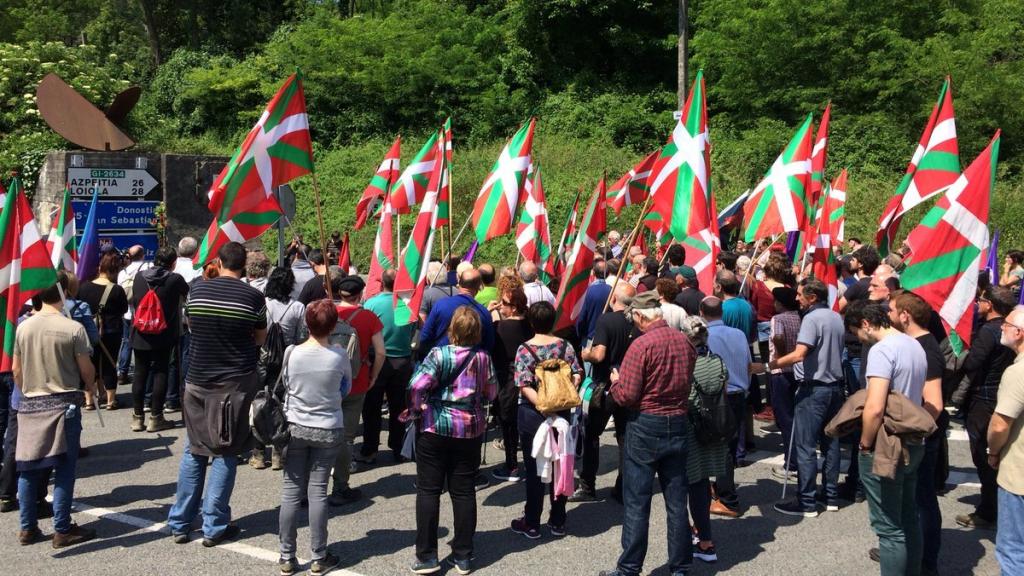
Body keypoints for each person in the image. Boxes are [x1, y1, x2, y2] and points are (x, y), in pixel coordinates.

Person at [167, 241, 267, 547]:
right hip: (233, 385)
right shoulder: (253, 297)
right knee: (226, 451)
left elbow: (191, 326)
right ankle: (214, 524)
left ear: (220, 263)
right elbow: (260, 338)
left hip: (196, 380)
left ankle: (181, 522)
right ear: (243, 266)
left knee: (193, 449)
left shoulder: (197, 291)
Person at [598, 292, 695, 576]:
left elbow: (627, 395)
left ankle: (629, 567)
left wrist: (616, 383)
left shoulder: (640, 346)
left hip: (646, 423)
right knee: (677, 500)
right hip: (677, 420)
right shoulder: (685, 342)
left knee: (637, 500)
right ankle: (681, 566)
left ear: (641, 317)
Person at [408, 306, 497, 575]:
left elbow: (416, 385)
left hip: (435, 425)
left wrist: (417, 407)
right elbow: (491, 392)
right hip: (468, 428)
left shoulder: (438, 354)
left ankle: (426, 555)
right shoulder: (483, 358)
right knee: (463, 490)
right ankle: (463, 555)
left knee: (428, 489)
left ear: (451, 330)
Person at [13, 271, 97, 547]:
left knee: (29, 467)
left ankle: (27, 527)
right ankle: (62, 528)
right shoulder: (72, 328)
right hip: (64, 402)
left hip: (30, 402)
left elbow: (16, 370)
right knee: (63, 467)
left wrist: (29, 389)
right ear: (62, 293)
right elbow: (86, 370)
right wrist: (90, 387)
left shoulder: (23, 327)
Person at [844, 301, 928, 576]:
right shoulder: (913, 343)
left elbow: (875, 406)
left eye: (857, 331)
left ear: (866, 324)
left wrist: (865, 443)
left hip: (887, 442)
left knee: (889, 528)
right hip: (913, 438)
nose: (858, 337)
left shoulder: (882, 350)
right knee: (907, 517)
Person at [277, 300, 351, 576]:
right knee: (318, 490)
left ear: (307, 323)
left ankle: (287, 555)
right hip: (328, 425)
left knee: (291, 491)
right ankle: (319, 555)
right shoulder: (338, 355)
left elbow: (286, 384)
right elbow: (346, 386)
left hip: (295, 425)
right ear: (333, 325)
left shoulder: (291, 352)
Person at [770, 278, 846, 517]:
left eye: (801, 294)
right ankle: (831, 495)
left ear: (813, 297)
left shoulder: (812, 319)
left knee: (805, 445)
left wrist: (768, 365)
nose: (797, 298)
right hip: (835, 387)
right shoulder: (836, 316)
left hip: (814, 388)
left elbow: (800, 353)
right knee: (831, 444)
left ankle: (807, 501)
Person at [510, 301, 581, 539]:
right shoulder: (565, 346)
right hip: (562, 413)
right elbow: (576, 374)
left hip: (533, 415)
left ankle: (531, 522)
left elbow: (522, 384)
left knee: (534, 469)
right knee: (561, 465)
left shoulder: (524, 349)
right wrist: (562, 395)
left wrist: (542, 404)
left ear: (530, 321)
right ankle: (558, 520)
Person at [888, 291, 947, 575]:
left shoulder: (925, 348)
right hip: (913, 434)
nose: (886, 316)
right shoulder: (913, 343)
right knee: (908, 499)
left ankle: (925, 562)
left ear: (904, 315)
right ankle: (904, 551)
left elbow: (934, 402)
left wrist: (914, 433)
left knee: (922, 501)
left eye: (890, 310)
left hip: (919, 436)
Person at [956, 285, 1017, 530]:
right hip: (1003, 394)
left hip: (984, 398)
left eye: (980, 300)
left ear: (989, 304)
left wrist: (962, 353)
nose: (977, 304)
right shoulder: (1007, 330)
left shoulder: (989, 331)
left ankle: (988, 510)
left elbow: (973, 363)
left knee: (984, 457)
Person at [574, 282, 638, 502]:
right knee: (624, 438)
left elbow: (599, 355)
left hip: (605, 388)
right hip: (629, 386)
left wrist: (586, 355)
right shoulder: (637, 322)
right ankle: (623, 487)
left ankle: (587, 486)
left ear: (613, 300)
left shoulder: (606, 320)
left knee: (591, 435)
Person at [330, 275, 385, 506]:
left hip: (327, 380)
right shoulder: (368, 317)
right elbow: (380, 352)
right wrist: (373, 377)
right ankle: (340, 486)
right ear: (360, 294)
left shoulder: (327, 313)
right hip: (356, 379)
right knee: (346, 437)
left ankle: (310, 487)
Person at [679, 316, 730, 564]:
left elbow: (682, 398)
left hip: (690, 429)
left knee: (683, 485)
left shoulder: (686, 363)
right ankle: (706, 540)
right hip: (713, 429)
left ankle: (688, 535)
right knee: (701, 485)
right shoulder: (717, 362)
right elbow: (725, 391)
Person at [702, 296, 755, 517]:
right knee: (729, 446)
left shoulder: (706, 336)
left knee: (719, 447)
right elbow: (749, 364)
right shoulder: (739, 334)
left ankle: (728, 499)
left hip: (719, 397)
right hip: (738, 395)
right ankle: (722, 487)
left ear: (702, 313)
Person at [250, 267, 307, 471]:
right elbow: (302, 337)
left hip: (261, 360)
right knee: (281, 407)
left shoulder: (261, 304)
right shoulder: (298, 307)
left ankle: (257, 453)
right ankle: (278, 453)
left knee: (257, 404)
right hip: (287, 362)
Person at [129, 246, 189, 433]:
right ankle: (157, 417)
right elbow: (186, 293)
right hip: (164, 332)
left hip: (140, 331)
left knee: (140, 373)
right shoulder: (175, 279)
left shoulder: (140, 276)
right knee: (161, 372)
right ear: (173, 263)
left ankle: (137, 418)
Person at [361, 269, 416, 464]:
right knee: (399, 406)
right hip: (402, 360)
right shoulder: (407, 305)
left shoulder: (371, 304)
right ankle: (398, 447)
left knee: (372, 407)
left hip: (377, 359)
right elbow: (412, 331)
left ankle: (370, 449)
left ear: (381, 282)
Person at [986, 306, 1024, 575]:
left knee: (1013, 550)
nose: (1001, 326)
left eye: (1006, 324)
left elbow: (1000, 424)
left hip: (1019, 474)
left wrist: (993, 451)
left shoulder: (1017, 373)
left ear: (1019, 333)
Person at [489, 283, 533, 482]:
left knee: (508, 424)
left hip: (507, 379)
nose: (501, 305)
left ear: (514, 307)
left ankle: (512, 466)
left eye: (504, 303)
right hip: (528, 379)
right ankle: (530, 464)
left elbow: (492, 347)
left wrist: (491, 317)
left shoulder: (501, 327)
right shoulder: (531, 324)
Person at [78, 251, 129, 411]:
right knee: (110, 364)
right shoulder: (117, 290)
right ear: (115, 270)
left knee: (90, 363)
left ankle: (88, 401)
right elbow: (124, 309)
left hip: (88, 331)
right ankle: (110, 400)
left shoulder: (84, 287)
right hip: (111, 331)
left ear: (100, 267)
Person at [418, 269, 495, 354]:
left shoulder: (441, 305)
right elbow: (488, 345)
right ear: (479, 287)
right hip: (471, 363)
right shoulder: (484, 313)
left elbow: (425, 336)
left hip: (441, 360)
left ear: (459, 282)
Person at [768, 286, 802, 477]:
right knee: (794, 415)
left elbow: (778, 335)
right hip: (796, 370)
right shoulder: (799, 317)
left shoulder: (777, 319)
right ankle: (796, 457)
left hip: (780, 370)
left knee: (784, 417)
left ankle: (792, 462)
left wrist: (781, 354)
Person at [117, 244, 152, 386]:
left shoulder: (123, 272)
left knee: (126, 341)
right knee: (144, 343)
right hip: (143, 313)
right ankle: (143, 371)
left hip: (127, 313)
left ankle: (122, 372)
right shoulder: (148, 268)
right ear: (143, 255)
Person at [576, 260, 612, 345]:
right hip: (606, 338)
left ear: (593, 272)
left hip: (590, 338)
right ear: (608, 273)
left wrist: (578, 334)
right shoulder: (612, 290)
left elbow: (582, 317)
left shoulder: (590, 291)